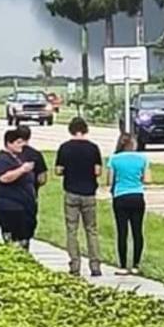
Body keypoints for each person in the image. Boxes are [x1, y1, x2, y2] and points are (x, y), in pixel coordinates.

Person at [54, 117, 103, 277]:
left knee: (72, 230)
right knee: (91, 230)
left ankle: (75, 264)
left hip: (71, 192)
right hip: (89, 193)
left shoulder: (64, 148)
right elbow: (98, 171)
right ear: (86, 130)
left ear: (70, 130)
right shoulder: (93, 148)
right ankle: (95, 265)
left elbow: (58, 170)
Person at [107, 133, 151, 276]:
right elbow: (147, 179)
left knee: (122, 231)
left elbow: (109, 180)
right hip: (137, 195)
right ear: (133, 144)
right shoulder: (142, 159)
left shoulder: (114, 159)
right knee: (137, 231)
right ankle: (136, 264)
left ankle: (123, 265)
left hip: (120, 196)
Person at [0, 128, 37, 249]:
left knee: (25, 236)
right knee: (15, 238)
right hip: (10, 206)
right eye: (18, 142)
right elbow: (4, 178)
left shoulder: (18, 158)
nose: (22, 145)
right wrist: (22, 170)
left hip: (24, 205)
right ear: (9, 143)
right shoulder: (2, 160)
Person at [16, 124, 48, 238]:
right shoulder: (36, 155)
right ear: (29, 137)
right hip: (30, 195)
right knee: (28, 226)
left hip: (12, 196)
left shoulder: (12, 154)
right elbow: (42, 178)